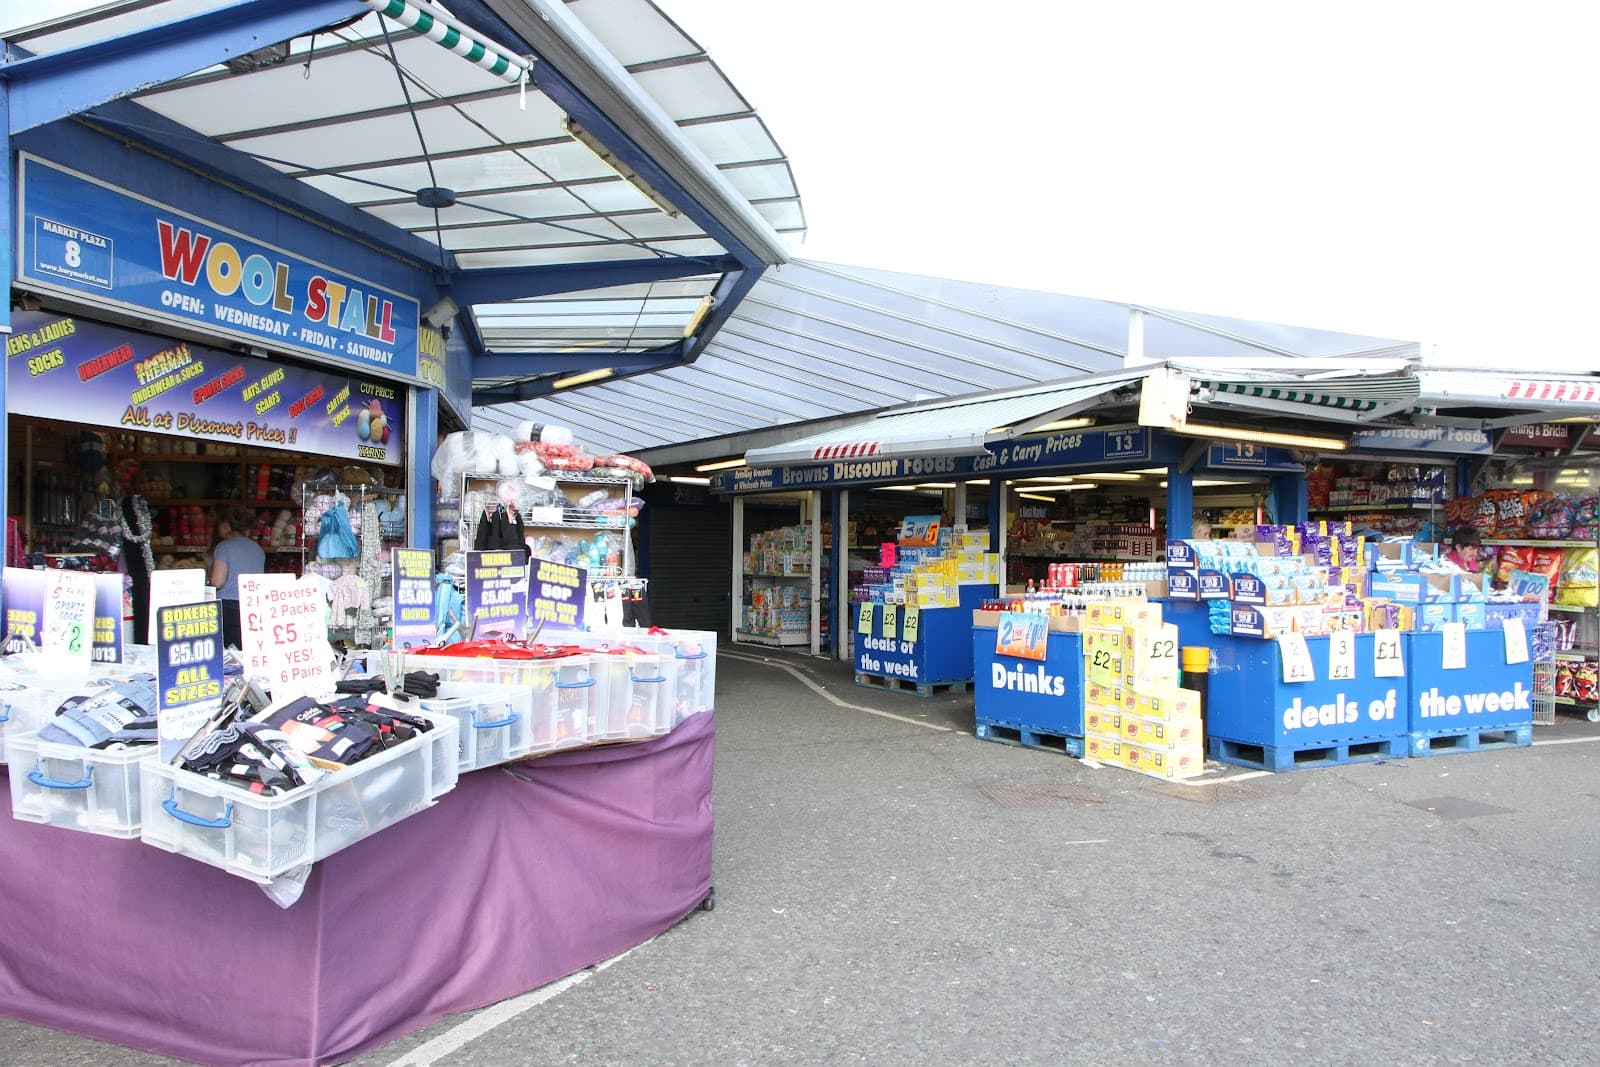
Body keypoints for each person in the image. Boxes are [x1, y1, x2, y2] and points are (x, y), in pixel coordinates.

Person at [210, 506, 266, 649]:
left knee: (229, 656)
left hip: (228, 608)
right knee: (246, 652)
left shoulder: (223, 547)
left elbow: (217, 581)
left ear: (226, 525)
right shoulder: (258, 549)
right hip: (253, 606)